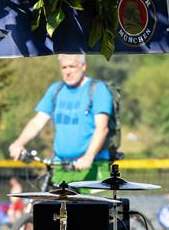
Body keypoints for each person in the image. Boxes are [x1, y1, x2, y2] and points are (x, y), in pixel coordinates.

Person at [8, 54, 114, 185]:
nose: (68, 71)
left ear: (83, 66)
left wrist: (88, 156)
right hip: (60, 166)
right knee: (51, 204)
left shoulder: (98, 89)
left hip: (92, 165)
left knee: (90, 205)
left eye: (72, 66)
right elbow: (37, 122)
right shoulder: (56, 90)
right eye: (64, 67)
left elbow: (102, 128)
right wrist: (19, 143)